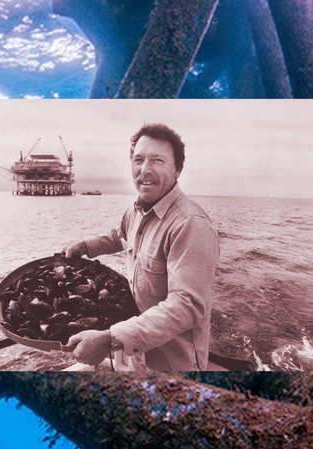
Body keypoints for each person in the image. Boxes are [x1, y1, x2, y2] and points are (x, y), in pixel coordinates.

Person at [61, 123, 220, 371]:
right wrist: (85, 246)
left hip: (174, 363)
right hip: (136, 350)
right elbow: (119, 235)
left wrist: (109, 338)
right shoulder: (136, 210)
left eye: (158, 160)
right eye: (138, 160)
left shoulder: (190, 225)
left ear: (177, 169)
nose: (145, 169)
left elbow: (186, 305)